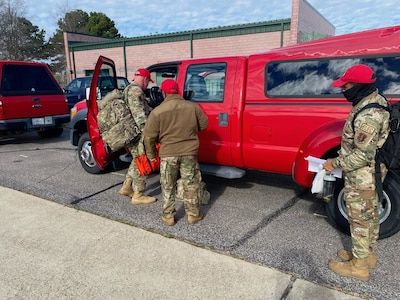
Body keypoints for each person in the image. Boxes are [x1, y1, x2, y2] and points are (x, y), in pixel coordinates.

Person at [322, 64, 390, 281]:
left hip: (363, 175)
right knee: (370, 215)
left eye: (347, 85)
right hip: (372, 173)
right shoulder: (375, 101)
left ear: (359, 85)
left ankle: (359, 267)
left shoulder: (368, 115)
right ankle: (366, 255)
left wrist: (334, 163)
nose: (343, 89)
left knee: (360, 219)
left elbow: (363, 155)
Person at [143, 79, 208, 226]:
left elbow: (149, 137)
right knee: (191, 184)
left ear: (164, 93)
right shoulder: (193, 107)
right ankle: (193, 215)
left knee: (167, 185)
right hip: (189, 153)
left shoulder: (157, 112)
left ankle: (168, 217)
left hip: (168, 154)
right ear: (177, 91)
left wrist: (152, 155)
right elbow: (204, 125)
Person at [118, 68, 157, 205]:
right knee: (143, 160)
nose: (147, 85)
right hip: (138, 133)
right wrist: (148, 135)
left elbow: (144, 108)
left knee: (136, 160)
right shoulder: (136, 91)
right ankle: (138, 195)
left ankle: (127, 187)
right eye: (148, 82)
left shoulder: (128, 89)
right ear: (145, 79)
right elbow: (139, 116)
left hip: (130, 132)